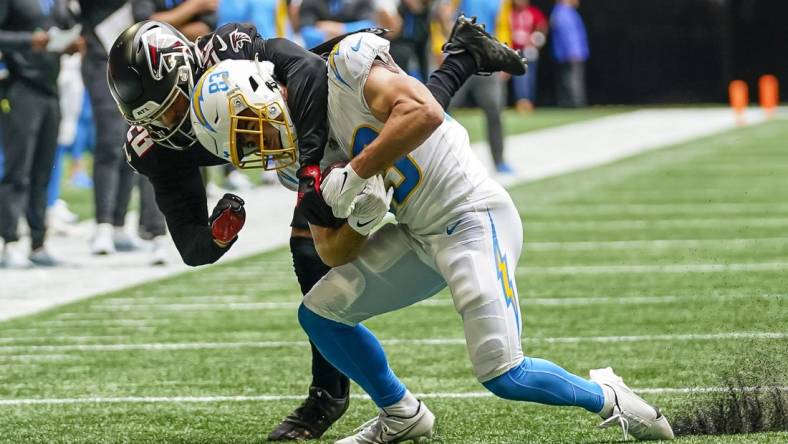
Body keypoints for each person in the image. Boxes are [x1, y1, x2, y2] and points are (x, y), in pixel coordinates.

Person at [193, 31, 672, 443]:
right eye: (247, 147)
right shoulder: (305, 158)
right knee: (320, 315)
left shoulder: (346, 68)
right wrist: (359, 223)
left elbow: (425, 111)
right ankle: (402, 414)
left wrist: (358, 171)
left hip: (471, 217)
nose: (262, 148)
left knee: (503, 372)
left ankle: (609, 397)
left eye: (251, 132)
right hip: (419, 236)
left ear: (264, 91)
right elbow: (329, 251)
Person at [109, 17, 522, 440]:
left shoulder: (225, 51)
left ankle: (328, 395)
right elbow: (191, 246)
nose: (171, 126)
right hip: (283, 142)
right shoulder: (155, 146)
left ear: (187, 76)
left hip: (311, 105)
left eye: (176, 108)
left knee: (363, 180)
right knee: (345, 211)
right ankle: (464, 55)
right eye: (158, 120)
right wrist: (217, 233)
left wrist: (310, 175)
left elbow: (305, 71)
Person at [0, 0, 82, 267]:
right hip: (19, 84)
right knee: (18, 169)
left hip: (50, 85)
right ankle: (9, 241)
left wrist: (72, 43)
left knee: (44, 169)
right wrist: (28, 40)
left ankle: (38, 242)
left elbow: (68, 26)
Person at [509, 0, 547, 112]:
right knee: (519, 77)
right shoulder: (510, 13)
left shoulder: (533, 12)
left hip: (529, 50)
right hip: (515, 50)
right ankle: (521, 101)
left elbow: (542, 26)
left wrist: (536, 40)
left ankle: (528, 101)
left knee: (529, 76)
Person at [550, 0, 588, 107]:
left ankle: (573, 101)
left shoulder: (569, 12)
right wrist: (572, 51)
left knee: (570, 77)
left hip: (573, 52)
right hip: (570, 53)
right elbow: (567, 35)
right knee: (570, 78)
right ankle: (574, 102)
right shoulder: (562, 12)